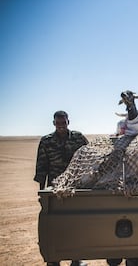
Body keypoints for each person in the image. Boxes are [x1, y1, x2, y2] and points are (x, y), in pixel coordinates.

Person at [34, 110, 88, 266]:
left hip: (75, 189)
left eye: (63, 123)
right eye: (58, 123)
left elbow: (90, 157)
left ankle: (76, 258)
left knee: (76, 224)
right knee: (54, 225)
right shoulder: (46, 141)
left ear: (68, 122)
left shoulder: (78, 138)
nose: (61, 126)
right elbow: (41, 167)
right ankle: (54, 259)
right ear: (54, 123)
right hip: (54, 189)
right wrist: (42, 194)